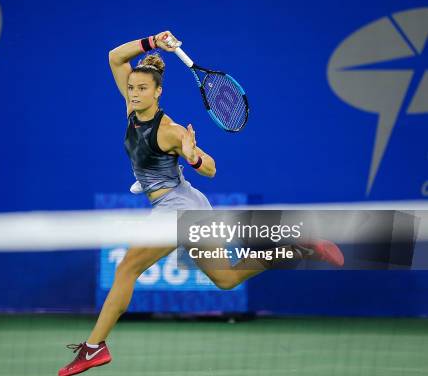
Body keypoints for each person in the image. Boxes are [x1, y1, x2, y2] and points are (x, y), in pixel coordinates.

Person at [58, 31, 343, 376]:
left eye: (142, 89)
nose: (134, 93)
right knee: (225, 278)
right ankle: (295, 250)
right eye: (131, 88)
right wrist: (151, 41)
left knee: (127, 269)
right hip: (188, 204)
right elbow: (115, 57)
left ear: (158, 92)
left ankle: (94, 348)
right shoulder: (132, 111)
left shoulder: (172, 131)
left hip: (177, 208)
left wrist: (192, 157)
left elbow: (211, 168)